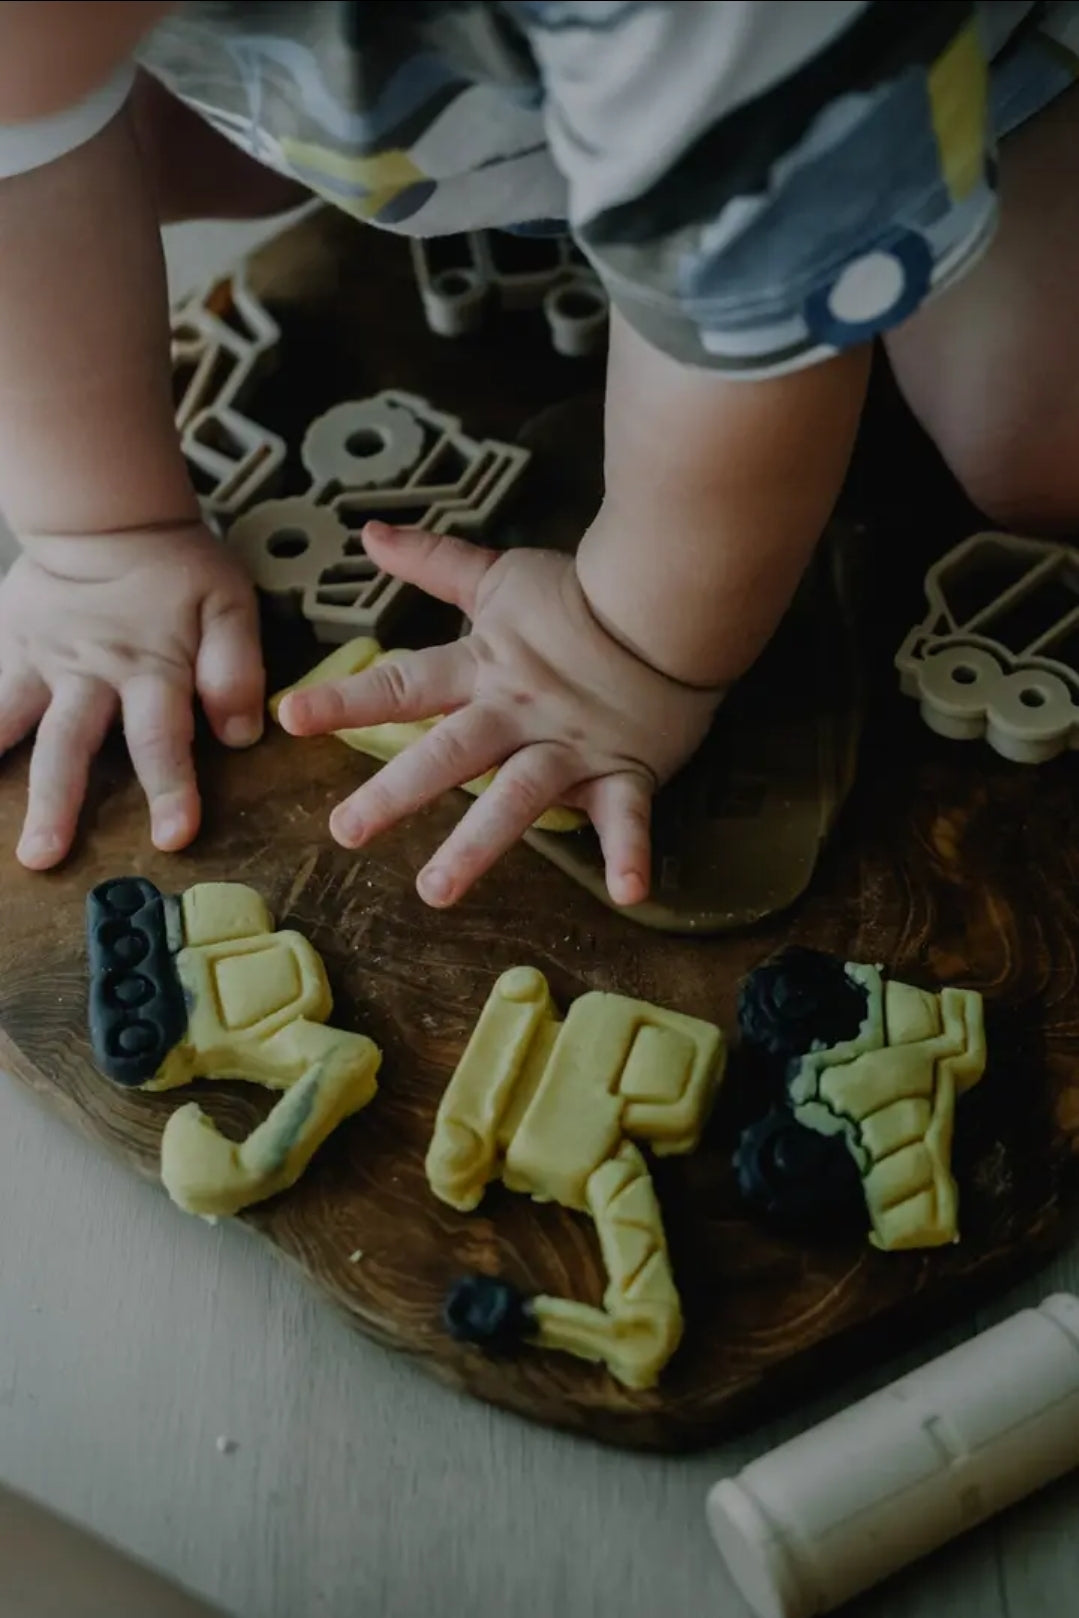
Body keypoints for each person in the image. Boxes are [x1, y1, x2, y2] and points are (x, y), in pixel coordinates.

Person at [0, 0, 1075, 910]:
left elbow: (756, 276)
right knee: (66, 102)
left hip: (858, 88)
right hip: (446, 87)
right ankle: (498, 149)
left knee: (1035, 447)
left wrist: (627, 643)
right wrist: (101, 534)